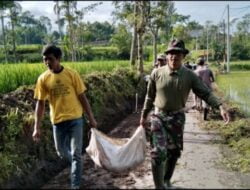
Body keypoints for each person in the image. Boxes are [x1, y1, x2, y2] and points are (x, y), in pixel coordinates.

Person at [139, 39, 230, 189]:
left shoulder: (190, 76)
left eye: (177, 54)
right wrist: (143, 116)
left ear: (183, 56)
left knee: (174, 152)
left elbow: (205, 93)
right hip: (158, 116)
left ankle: (167, 180)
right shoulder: (156, 73)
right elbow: (149, 97)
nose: (174, 57)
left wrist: (220, 106)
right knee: (158, 153)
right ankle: (159, 187)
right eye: (171, 54)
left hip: (177, 117)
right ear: (167, 56)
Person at [32, 44, 97, 189]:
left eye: (50, 59)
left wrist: (91, 117)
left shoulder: (72, 74)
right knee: (61, 152)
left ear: (58, 58)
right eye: (44, 60)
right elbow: (40, 104)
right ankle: (78, 166)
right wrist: (36, 127)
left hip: (75, 120)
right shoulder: (43, 79)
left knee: (75, 154)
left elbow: (82, 97)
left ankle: (75, 184)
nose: (47, 62)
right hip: (57, 122)